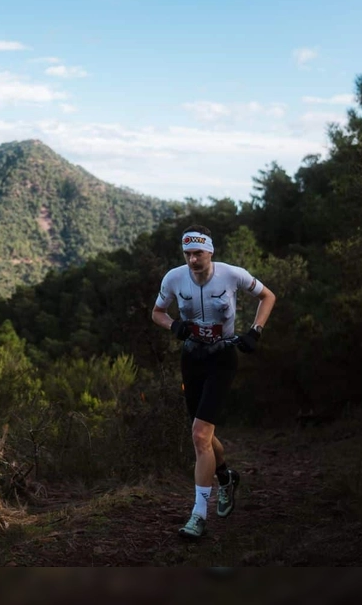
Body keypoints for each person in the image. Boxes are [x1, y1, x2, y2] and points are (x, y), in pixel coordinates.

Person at [151, 225, 276, 540]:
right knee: (202, 436)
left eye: (198, 253)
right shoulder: (173, 278)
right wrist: (174, 326)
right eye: (188, 254)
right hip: (192, 359)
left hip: (222, 359)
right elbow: (157, 312)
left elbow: (268, 296)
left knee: (199, 435)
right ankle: (226, 477)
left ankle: (198, 516)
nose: (193, 260)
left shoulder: (232, 274)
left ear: (210, 251)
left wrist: (255, 331)